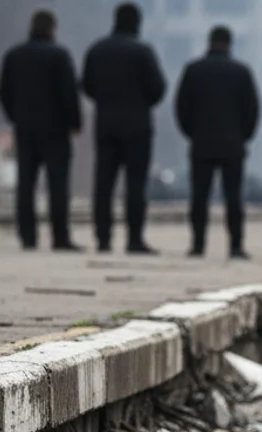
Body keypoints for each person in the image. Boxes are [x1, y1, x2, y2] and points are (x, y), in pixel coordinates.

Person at [82, 2, 167, 255]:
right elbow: (158, 88)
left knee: (104, 183)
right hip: (137, 126)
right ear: (136, 23)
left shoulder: (97, 50)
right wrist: (140, 103)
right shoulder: (143, 52)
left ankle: (104, 238)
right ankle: (134, 239)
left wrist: (105, 100)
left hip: (106, 123)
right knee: (136, 184)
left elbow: (86, 85)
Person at [0, 10, 83, 252]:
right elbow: (69, 93)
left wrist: (15, 116)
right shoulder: (59, 56)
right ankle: (60, 236)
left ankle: (28, 236)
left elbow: (4, 92)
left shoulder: (14, 56)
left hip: (25, 128)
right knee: (58, 185)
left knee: (25, 184)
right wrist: (75, 122)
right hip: (56, 130)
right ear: (52, 28)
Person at [175, 26, 260, 259]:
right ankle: (235, 245)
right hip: (233, 145)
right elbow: (252, 110)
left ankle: (198, 244)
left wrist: (192, 133)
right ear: (229, 44)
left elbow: (181, 108)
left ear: (209, 42)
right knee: (233, 196)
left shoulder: (193, 70)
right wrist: (244, 136)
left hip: (201, 143)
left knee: (199, 196)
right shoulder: (241, 72)